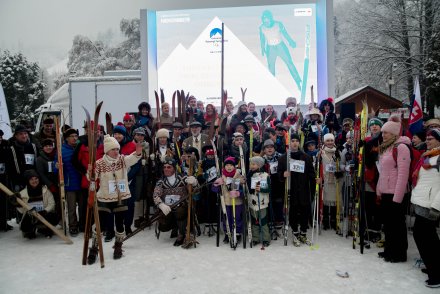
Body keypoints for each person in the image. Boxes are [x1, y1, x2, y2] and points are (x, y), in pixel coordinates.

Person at [87, 135, 142, 262]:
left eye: (117, 149)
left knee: (119, 223)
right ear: (107, 150)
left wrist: (138, 152)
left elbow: (132, 159)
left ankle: (118, 246)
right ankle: (94, 248)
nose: (116, 152)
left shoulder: (122, 160)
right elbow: (92, 178)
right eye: (114, 149)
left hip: (120, 197)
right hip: (105, 197)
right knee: (99, 224)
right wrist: (90, 171)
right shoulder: (99, 163)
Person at [376, 115, 410, 263]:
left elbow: (403, 174)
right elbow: (382, 171)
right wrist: (379, 188)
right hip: (386, 192)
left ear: (395, 133)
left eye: (386, 133)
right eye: (382, 133)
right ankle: (389, 250)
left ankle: (399, 253)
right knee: (388, 224)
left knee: (397, 225)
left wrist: (398, 196)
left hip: (396, 193)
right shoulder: (386, 148)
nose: (383, 135)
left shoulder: (401, 147)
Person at [411, 128, 440, 288]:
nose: (427, 141)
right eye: (427, 138)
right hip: (422, 202)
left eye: (431, 139)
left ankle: (436, 273)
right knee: (424, 236)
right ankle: (432, 267)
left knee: (427, 238)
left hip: (431, 205)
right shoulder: (427, 157)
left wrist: (437, 207)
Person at [277, 133, 315, 246]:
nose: (294, 143)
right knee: (293, 211)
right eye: (292, 141)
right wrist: (283, 174)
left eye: (296, 141)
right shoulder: (283, 158)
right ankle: (295, 232)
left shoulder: (306, 157)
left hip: (303, 189)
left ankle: (303, 233)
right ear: (289, 143)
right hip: (291, 189)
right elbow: (279, 173)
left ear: (299, 142)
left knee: (304, 210)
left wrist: (315, 179)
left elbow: (311, 173)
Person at [153, 157, 199, 246]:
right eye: (164, 167)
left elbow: (196, 192)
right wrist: (161, 204)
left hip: (182, 208)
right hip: (168, 209)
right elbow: (156, 194)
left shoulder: (183, 178)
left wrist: (195, 183)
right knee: (163, 224)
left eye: (169, 167)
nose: (166, 169)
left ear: (174, 168)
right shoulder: (161, 182)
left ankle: (182, 233)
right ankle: (175, 227)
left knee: (180, 211)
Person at [259, 10, 302, 92]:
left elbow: (285, 34)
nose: (266, 23)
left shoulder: (278, 24)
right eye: (264, 21)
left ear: (270, 19)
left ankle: (298, 81)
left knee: (289, 63)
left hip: (280, 46)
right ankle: (272, 84)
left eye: (267, 21)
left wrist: (291, 41)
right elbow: (262, 38)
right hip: (270, 48)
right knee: (271, 67)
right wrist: (262, 48)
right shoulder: (262, 27)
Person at [212, 157, 244, 245]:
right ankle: (228, 233)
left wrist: (239, 193)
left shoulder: (239, 176)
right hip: (225, 202)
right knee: (227, 218)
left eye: (231, 165)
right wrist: (216, 184)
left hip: (237, 202)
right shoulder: (221, 176)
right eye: (227, 165)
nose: (229, 167)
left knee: (237, 218)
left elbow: (244, 190)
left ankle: (237, 233)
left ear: (234, 166)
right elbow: (215, 190)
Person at [17, 170, 58, 239]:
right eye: (31, 179)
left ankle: (45, 229)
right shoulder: (22, 193)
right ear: (28, 181)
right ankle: (30, 231)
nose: (34, 181)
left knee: (54, 216)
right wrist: (18, 204)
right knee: (25, 225)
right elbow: (21, 211)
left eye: (36, 178)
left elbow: (52, 204)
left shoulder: (45, 190)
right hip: (31, 216)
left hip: (44, 214)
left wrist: (45, 211)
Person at [60, 127, 82, 237]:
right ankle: (73, 226)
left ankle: (82, 224)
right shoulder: (62, 150)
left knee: (83, 206)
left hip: (82, 182)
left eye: (76, 136)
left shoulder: (80, 147)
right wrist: (56, 167)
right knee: (72, 207)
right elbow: (56, 166)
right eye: (72, 136)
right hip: (70, 183)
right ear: (66, 139)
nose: (74, 138)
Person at [319, 133, 343, 231]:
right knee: (325, 200)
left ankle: (333, 220)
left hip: (334, 180)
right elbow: (318, 165)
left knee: (334, 200)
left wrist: (340, 172)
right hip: (325, 179)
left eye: (331, 140)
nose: (329, 142)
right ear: (324, 141)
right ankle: (325, 220)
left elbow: (341, 165)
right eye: (327, 140)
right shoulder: (321, 152)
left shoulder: (338, 152)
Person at [247, 156, 271, 247]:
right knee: (255, 221)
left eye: (254, 164)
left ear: (259, 165)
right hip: (252, 201)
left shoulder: (265, 175)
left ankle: (265, 239)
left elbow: (268, 189)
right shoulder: (249, 175)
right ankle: (255, 238)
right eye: (251, 164)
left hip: (262, 202)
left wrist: (262, 188)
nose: (251, 166)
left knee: (263, 221)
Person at [261, 139, 283, 239]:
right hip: (267, 185)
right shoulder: (262, 159)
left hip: (278, 185)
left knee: (278, 204)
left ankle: (278, 224)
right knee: (268, 205)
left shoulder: (281, 157)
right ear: (264, 150)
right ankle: (270, 224)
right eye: (267, 147)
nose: (269, 149)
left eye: (271, 147)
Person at [35, 139, 60, 223]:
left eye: (50, 146)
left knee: (58, 202)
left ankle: (58, 219)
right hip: (47, 185)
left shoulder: (56, 156)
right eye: (46, 146)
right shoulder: (40, 159)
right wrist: (50, 185)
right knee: (49, 203)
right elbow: (41, 174)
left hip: (58, 183)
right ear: (43, 148)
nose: (48, 148)